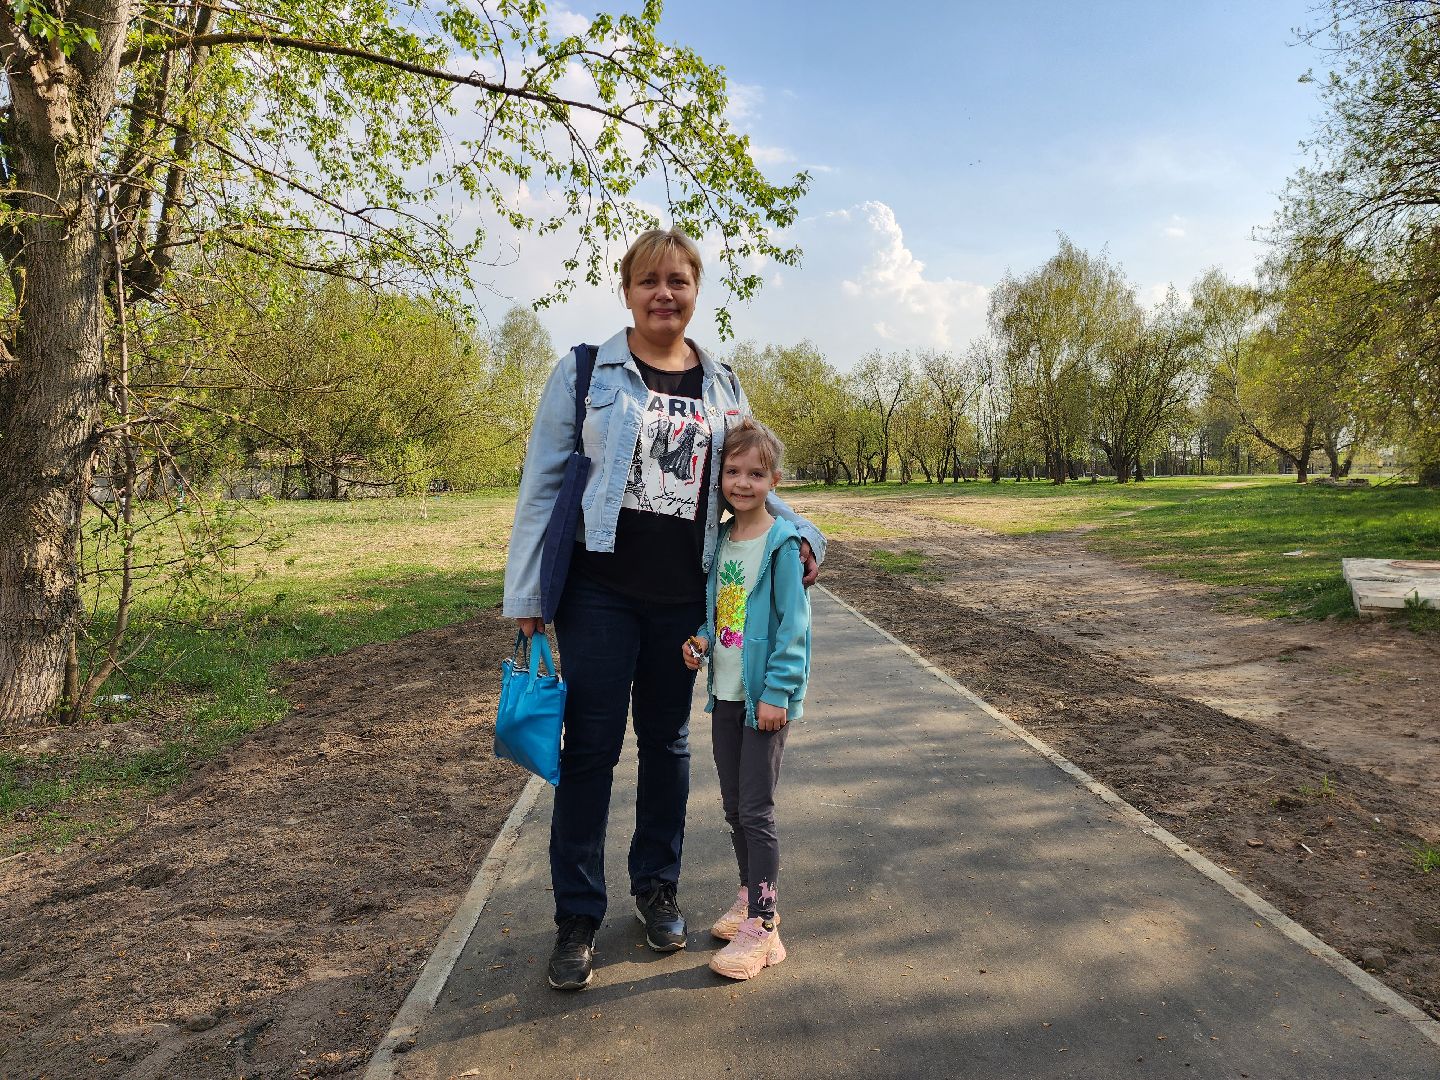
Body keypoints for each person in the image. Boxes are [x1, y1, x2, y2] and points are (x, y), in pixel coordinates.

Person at [502, 227, 825, 991]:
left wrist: (803, 532)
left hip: (686, 595)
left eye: (678, 281)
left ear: (695, 290)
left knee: (668, 747)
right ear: (627, 290)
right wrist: (526, 597)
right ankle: (577, 915)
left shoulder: (723, 384)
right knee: (588, 750)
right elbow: (542, 485)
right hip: (598, 592)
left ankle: (657, 890)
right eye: (649, 281)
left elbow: (750, 479)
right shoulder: (586, 373)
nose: (664, 294)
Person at [682, 418, 809, 980]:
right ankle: (748, 896)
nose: (742, 482)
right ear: (719, 480)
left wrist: (778, 692)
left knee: (757, 811)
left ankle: (766, 925)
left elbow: (793, 628)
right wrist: (702, 641)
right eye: (732, 471)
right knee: (734, 807)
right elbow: (725, 615)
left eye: (755, 473)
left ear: (773, 480)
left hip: (764, 700)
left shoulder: (781, 544)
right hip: (727, 694)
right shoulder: (723, 542)